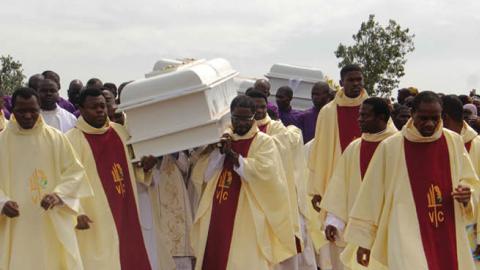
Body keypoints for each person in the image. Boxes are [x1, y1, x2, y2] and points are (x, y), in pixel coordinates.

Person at [344, 91, 478, 270]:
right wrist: (364, 241)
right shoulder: (391, 146)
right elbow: (371, 194)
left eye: (435, 118)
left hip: (448, 228)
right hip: (404, 229)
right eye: (423, 118)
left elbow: (470, 181)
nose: (430, 123)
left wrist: (466, 194)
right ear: (412, 113)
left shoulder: (453, 141)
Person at [66, 88, 170, 270]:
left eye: (102, 106)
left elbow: (134, 167)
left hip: (126, 206)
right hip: (94, 215)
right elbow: (67, 180)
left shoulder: (120, 132)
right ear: (81, 109)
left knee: (132, 255)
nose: (100, 111)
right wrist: (77, 211)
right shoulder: (70, 140)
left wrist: (145, 167)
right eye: (94, 107)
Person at [191, 95, 296, 270]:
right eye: (236, 118)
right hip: (217, 209)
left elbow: (268, 175)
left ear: (253, 117)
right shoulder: (224, 137)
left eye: (245, 119)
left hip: (247, 213)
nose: (240, 123)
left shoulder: (264, 141)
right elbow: (205, 176)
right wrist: (218, 152)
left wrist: (234, 156)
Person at [0, 87, 92, 269]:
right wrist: (2, 203)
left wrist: (59, 195)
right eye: (21, 111)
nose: (27, 116)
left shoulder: (56, 138)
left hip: (51, 221)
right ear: (12, 109)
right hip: (15, 224)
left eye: (33, 110)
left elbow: (75, 172)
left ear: (39, 107)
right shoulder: (2, 141)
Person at [320, 97, 397, 269]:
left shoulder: (397, 146)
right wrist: (334, 220)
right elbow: (340, 186)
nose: (359, 119)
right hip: (357, 225)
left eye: (365, 115)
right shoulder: (355, 147)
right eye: (359, 115)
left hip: (387, 226)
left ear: (382, 118)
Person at [247, 90, 317, 270]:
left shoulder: (276, 128)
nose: (260, 111)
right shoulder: (239, 129)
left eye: (263, 106)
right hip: (251, 194)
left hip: (276, 193)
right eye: (255, 107)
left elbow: (289, 141)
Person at [307, 64, 368, 269]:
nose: (356, 84)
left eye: (359, 79)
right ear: (341, 83)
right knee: (336, 240)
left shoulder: (373, 107)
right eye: (351, 80)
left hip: (367, 184)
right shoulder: (328, 111)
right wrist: (317, 189)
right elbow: (320, 152)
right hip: (336, 184)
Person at [151, 154, 195, 270]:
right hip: (154, 195)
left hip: (177, 206)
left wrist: (175, 153)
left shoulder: (176, 152)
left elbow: (186, 166)